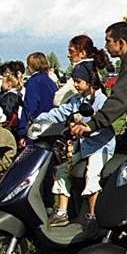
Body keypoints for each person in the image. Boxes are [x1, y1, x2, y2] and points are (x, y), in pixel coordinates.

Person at [35, 61, 115, 228]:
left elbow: (104, 124)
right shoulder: (78, 100)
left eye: (78, 81)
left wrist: (86, 130)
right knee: (63, 169)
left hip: (101, 146)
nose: (75, 85)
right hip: (86, 145)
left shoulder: (101, 100)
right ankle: (62, 213)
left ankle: (93, 217)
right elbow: (61, 112)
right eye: (74, 81)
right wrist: (40, 119)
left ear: (90, 81)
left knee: (92, 174)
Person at [54, 35, 111, 107]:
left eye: (71, 51)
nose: (68, 55)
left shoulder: (81, 75)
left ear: (82, 53)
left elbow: (57, 100)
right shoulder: (93, 69)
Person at [17, 52, 58, 148]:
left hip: (37, 127)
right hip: (52, 125)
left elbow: (30, 107)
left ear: (31, 66)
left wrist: (22, 131)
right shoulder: (51, 82)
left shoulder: (33, 82)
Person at [0, 72, 23, 139]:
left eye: (3, 83)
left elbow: (7, 111)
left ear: (9, 84)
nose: (1, 85)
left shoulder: (10, 97)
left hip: (8, 124)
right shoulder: (15, 95)